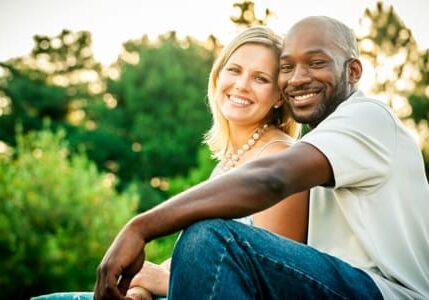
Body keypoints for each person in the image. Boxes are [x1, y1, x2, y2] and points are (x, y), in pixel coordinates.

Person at [95, 16, 429, 300]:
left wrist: (140, 227)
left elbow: (270, 180)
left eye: (316, 63)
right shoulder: (320, 144)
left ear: (353, 71)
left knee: (211, 237)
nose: (298, 78)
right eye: (287, 68)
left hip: (387, 292)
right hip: (328, 285)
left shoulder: (368, 118)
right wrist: (144, 284)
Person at [125, 26, 308, 300]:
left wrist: (165, 280)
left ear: (279, 96)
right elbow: (185, 260)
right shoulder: (227, 163)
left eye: (260, 78)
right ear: (218, 75)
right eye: (234, 70)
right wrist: (139, 287)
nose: (242, 85)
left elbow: (273, 280)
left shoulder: (281, 160)